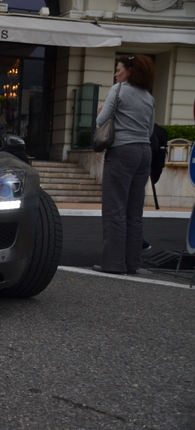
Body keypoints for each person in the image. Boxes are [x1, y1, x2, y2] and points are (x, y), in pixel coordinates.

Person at [93, 54, 156, 276]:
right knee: (134, 211)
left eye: (119, 69)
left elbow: (101, 122)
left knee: (115, 209)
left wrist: (101, 111)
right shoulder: (148, 97)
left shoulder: (118, 90)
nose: (115, 73)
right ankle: (132, 263)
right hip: (143, 152)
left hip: (122, 151)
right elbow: (149, 131)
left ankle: (113, 264)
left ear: (129, 71)